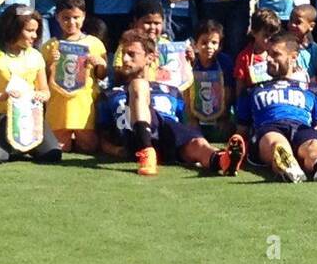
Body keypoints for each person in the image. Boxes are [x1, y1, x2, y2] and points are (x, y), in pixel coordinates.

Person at [97, 28, 245, 177]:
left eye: (131, 54)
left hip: (167, 133)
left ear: (150, 57)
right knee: (138, 84)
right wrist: (116, 150)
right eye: (124, 54)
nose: (125, 59)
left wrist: (187, 69)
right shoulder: (111, 94)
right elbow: (103, 137)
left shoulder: (172, 90)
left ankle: (223, 160)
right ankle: (146, 151)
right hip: (135, 136)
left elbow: (184, 121)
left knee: (197, 144)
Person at [234, 32, 317, 183]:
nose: (268, 58)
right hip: (269, 129)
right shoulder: (253, 91)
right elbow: (242, 131)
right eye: (268, 53)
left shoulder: (310, 93)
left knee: (313, 145)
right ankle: (288, 166)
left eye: (275, 54)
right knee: (277, 143)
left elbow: (315, 126)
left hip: (301, 128)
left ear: (293, 57)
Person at [0, 6, 61, 164]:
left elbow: (45, 90)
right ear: (13, 29)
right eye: (29, 31)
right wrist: (2, 96)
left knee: (52, 154)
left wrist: (41, 95)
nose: (34, 36)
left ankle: (23, 146)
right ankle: (10, 147)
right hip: (1, 117)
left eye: (36, 31)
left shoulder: (36, 56)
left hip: (30, 116)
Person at [42, 0, 107, 153]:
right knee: (59, 149)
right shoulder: (50, 46)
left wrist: (101, 64)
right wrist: (52, 63)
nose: (71, 22)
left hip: (84, 104)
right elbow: (43, 78)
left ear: (84, 16)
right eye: (66, 18)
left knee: (89, 147)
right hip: (59, 105)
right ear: (57, 17)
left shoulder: (94, 43)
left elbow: (101, 76)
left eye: (76, 17)